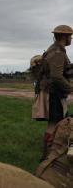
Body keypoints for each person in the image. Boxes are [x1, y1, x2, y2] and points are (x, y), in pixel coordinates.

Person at [38, 25, 73, 160]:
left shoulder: (56, 50)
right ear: (64, 37)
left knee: (54, 124)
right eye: (70, 36)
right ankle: (47, 157)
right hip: (54, 93)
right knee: (54, 125)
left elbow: (65, 70)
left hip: (53, 92)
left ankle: (48, 155)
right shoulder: (58, 52)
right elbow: (57, 76)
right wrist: (71, 89)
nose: (71, 39)